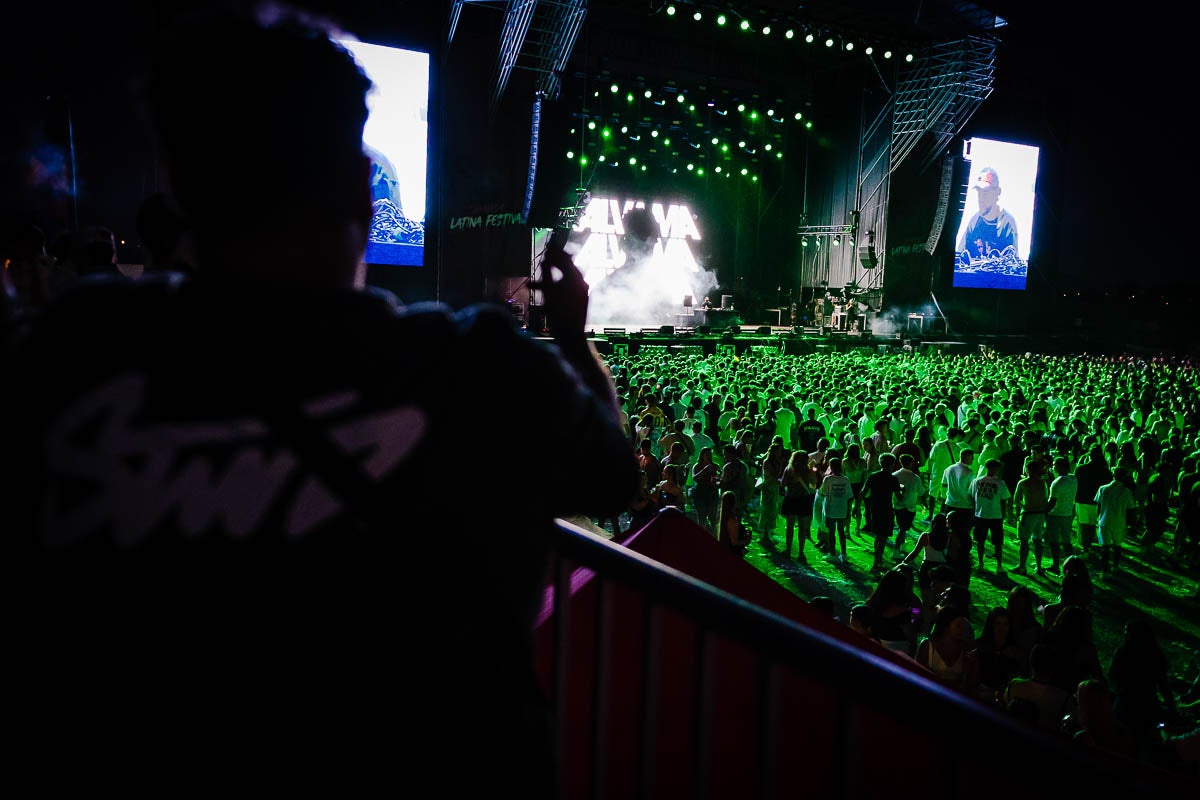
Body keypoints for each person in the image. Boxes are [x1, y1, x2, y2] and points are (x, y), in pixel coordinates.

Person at [2, 6, 639, 794]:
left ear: (182, 187)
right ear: (358, 189)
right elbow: (616, 478)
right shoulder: (480, 368)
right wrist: (573, 339)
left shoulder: (78, 353)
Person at [955, 166, 1019, 265]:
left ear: (998, 192)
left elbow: (1012, 265)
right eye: (979, 191)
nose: (981, 197)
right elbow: (960, 256)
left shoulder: (1007, 223)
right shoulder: (974, 221)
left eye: (986, 192)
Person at [1095, 466, 1137, 578]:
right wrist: (1131, 524)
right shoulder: (1127, 492)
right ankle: (1115, 566)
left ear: (1113, 475)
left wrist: (1098, 518)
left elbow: (1098, 506)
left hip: (1104, 522)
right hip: (1120, 522)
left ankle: (1104, 571)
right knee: (1117, 545)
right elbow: (1131, 509)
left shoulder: (1103, 489)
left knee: (1105, 547)